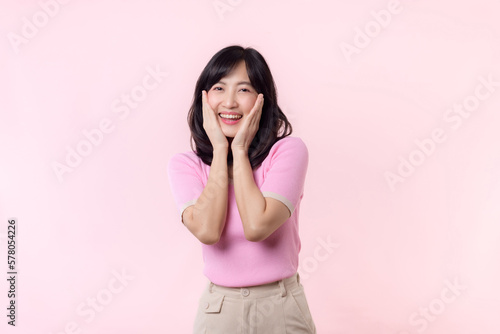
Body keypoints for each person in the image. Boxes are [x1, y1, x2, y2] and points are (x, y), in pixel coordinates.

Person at [167, 45, 317, 333]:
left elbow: (257, 226)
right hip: (219, 309)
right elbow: (208, 231)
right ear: (204, 98)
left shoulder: (288, 151)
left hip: (282, 307)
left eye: (244, 90)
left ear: (262, 99)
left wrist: (240, 149)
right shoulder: (185, 165)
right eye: (219, 88)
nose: (230, 102)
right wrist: (222, 151)